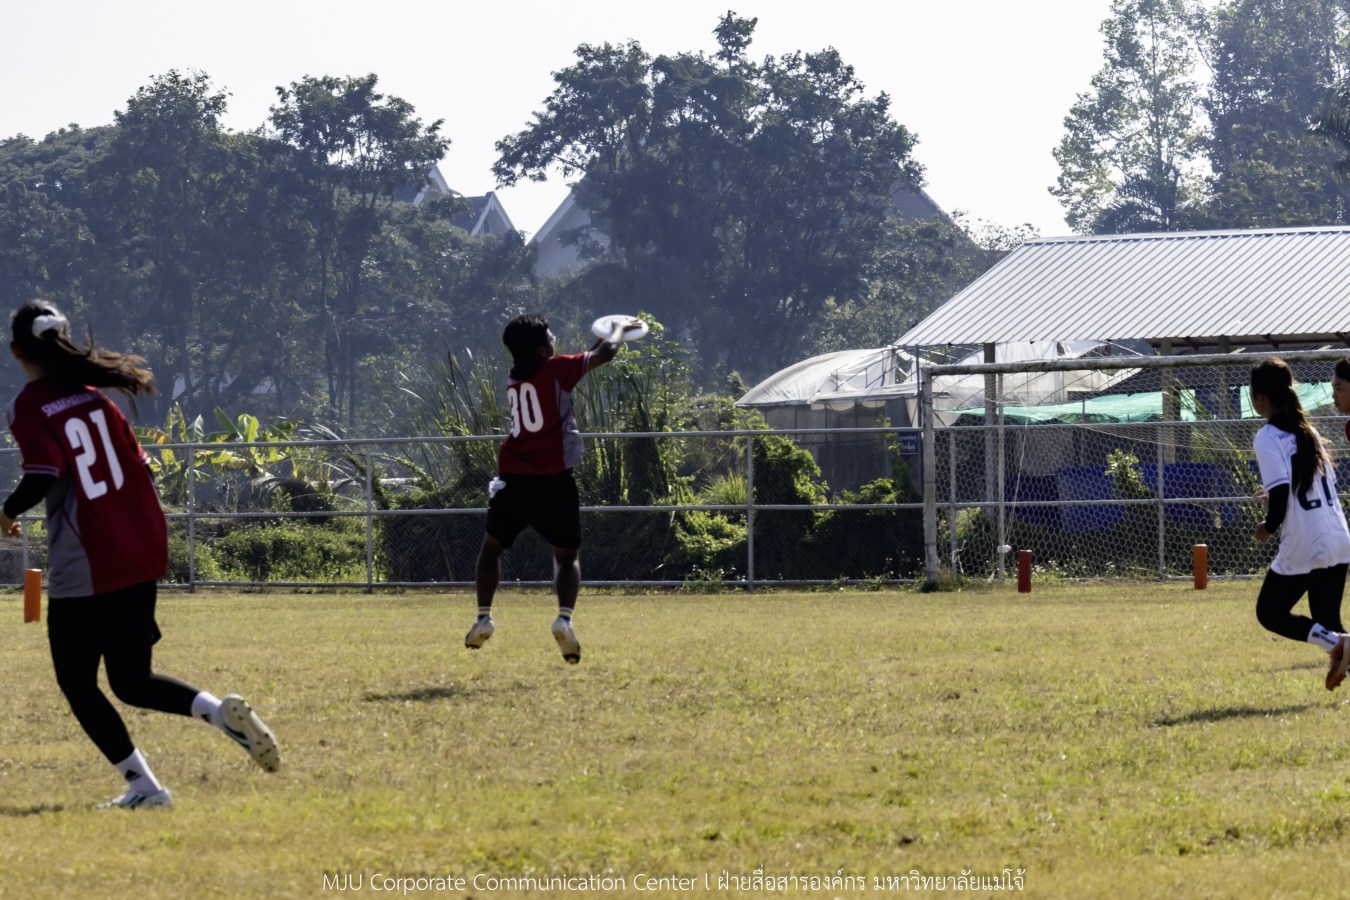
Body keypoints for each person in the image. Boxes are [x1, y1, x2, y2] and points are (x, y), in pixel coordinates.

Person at [0, 300, 279, 809]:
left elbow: (43, 473)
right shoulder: (97, 400)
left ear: (17, 351)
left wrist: (5, 511)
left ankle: (145, 788)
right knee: (131, 681)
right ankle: (218, 713)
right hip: (140, 547)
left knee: (77, 683)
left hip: (89, 558)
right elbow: (140, 470)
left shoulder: (30, 404)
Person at [465, 313, 640, 664]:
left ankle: (483, 616)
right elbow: (605, 355)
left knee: (492, 548)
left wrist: (602, 336)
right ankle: (564, 618)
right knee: (567, 556)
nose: (554, 339)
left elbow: (586, 358)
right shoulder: (558, 369)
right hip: (554, 479)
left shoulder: (516, 377)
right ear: (543, 350)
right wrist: (621, 329)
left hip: (513, 477)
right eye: (550, 336)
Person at [1249, 358, 1350, 690]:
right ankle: (1340, 645)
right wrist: (1278, 500)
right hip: (1338, 536)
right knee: (1328, 623)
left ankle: (1338, 644)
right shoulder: (1310, 431)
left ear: (1260, 397)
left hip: (1307, 542)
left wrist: (1267, 526)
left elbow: (1281, 496)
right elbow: (1309, 487)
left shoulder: (1267, 436)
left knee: (1270, 612)